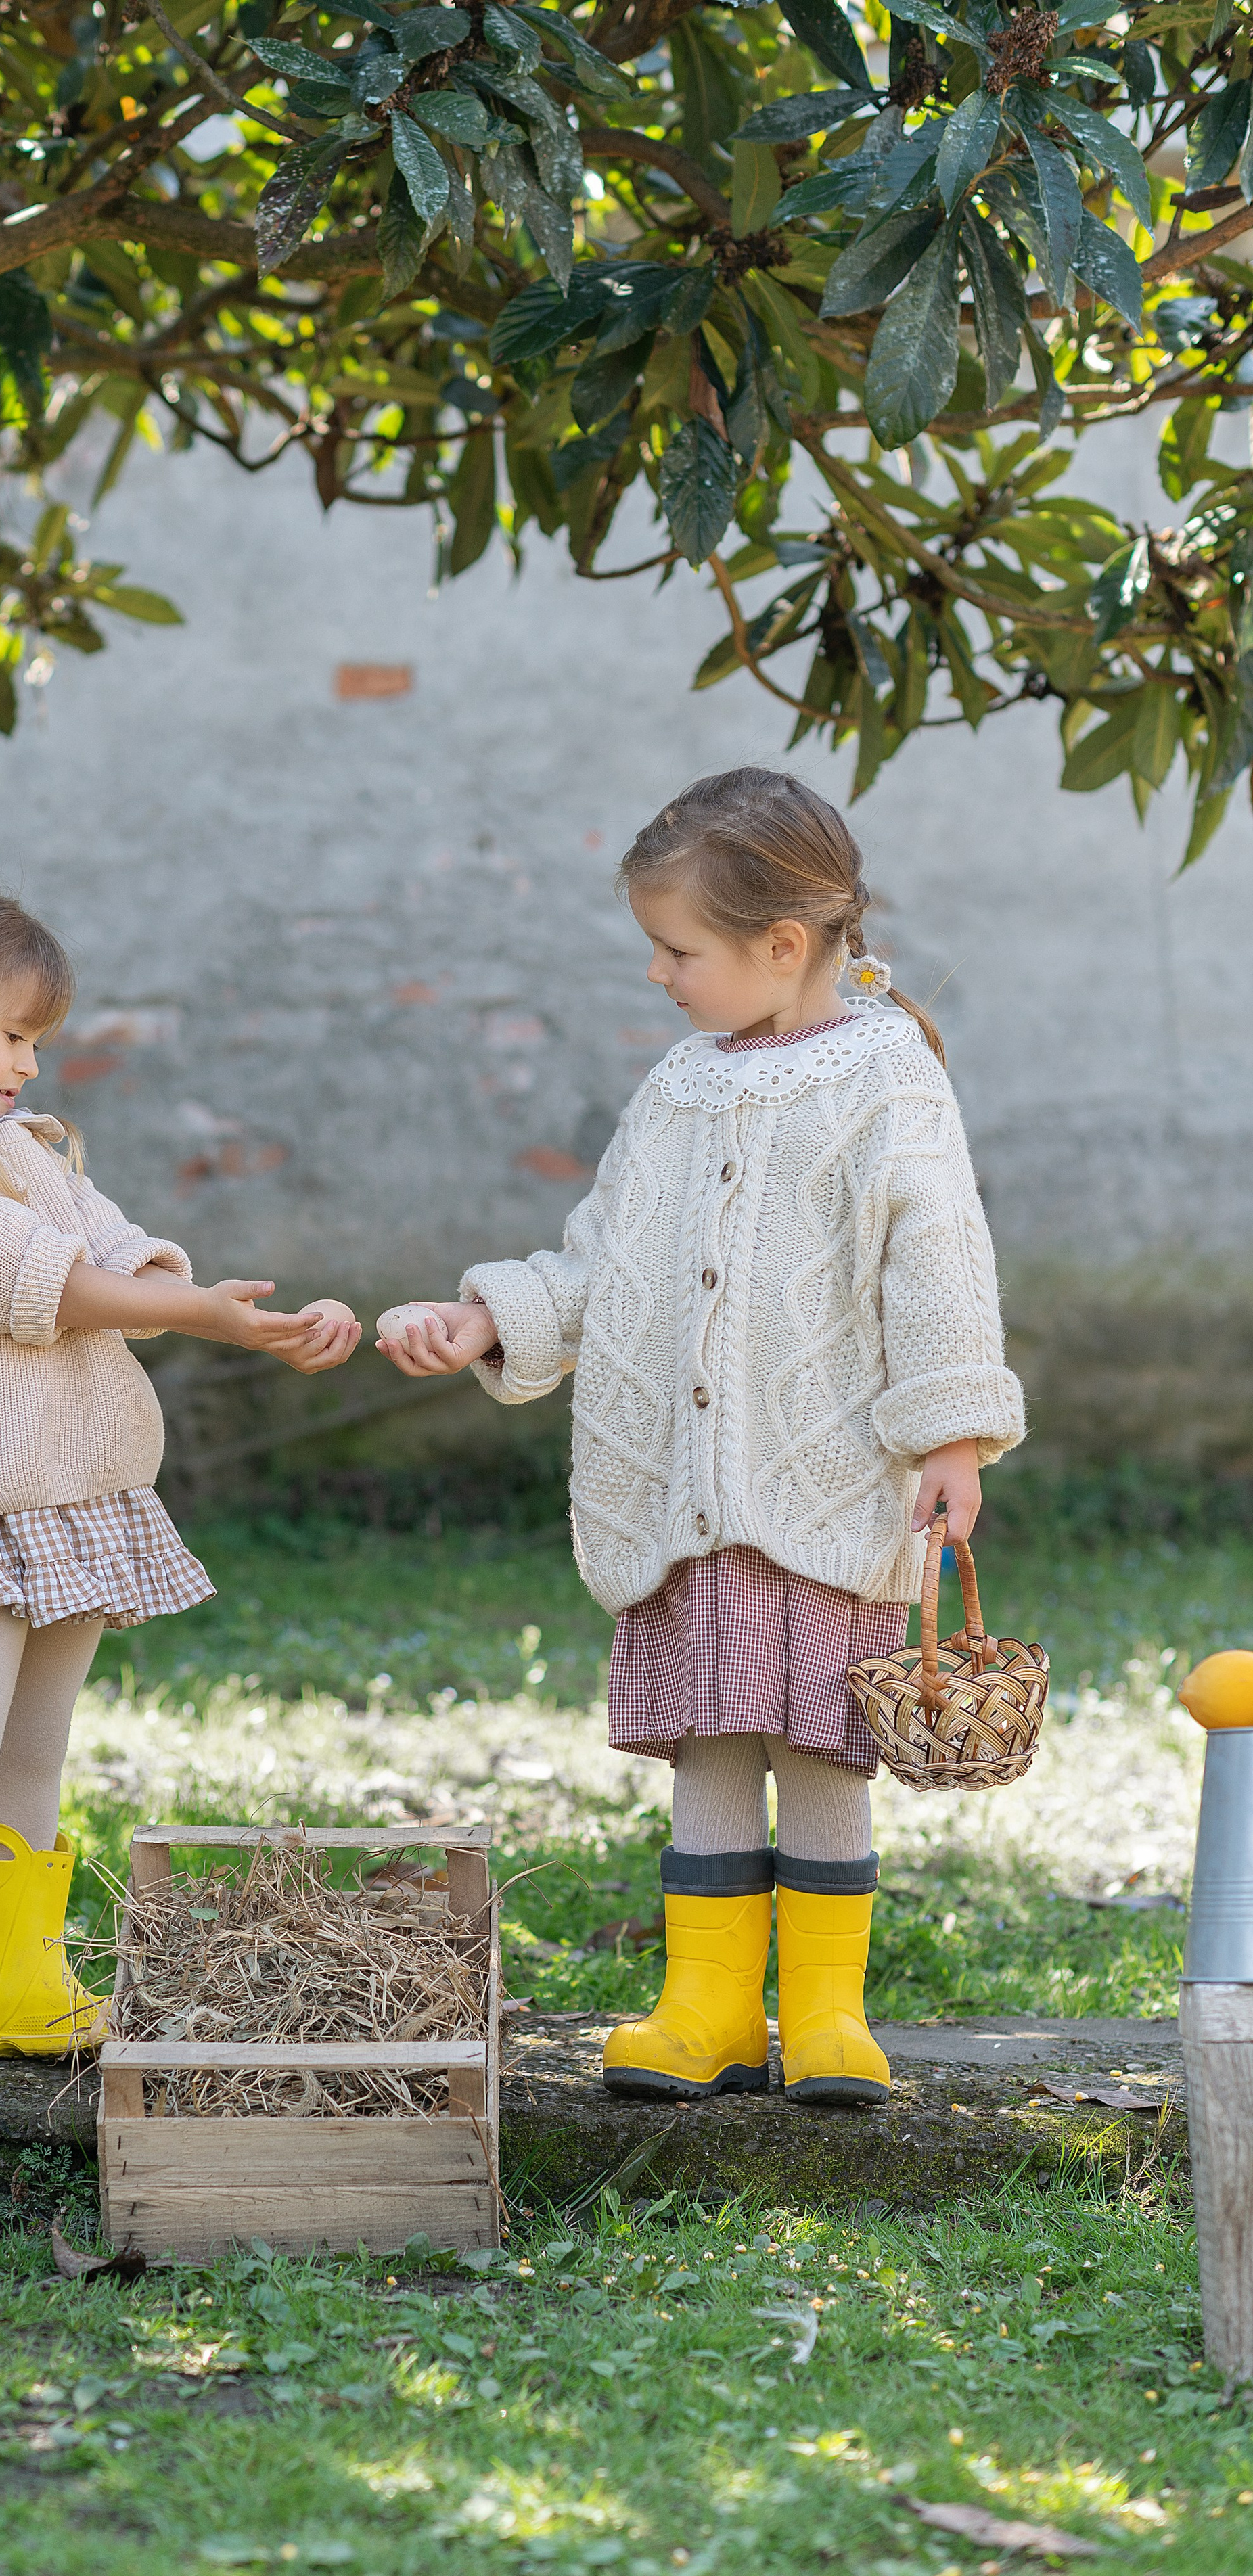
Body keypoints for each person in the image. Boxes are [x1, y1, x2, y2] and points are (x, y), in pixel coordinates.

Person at [377, 768, 1023, 2107]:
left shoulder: (887, 1078)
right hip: (683, 1500)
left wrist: (951, 1436)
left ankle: (829, 2015)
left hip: (832, 1487)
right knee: (713, 1747)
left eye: (678, 951)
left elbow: (938, 1262)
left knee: (826, 1745)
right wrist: (485, 1317)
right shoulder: (672, 1093)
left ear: (779, 947)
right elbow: (602, 1262)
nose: (661, 977)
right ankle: (708, 2006)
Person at [0, 873, 359, 2096]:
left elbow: (108, 1244)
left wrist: (223, 1308)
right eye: (14, 1037)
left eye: (37, 1043)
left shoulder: (12, 1146)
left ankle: (11, 1983)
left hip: (75, 1499)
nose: (29, 1068)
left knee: (35, 1754)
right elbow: (38, 1282)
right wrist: (198, 1319)